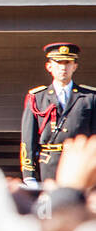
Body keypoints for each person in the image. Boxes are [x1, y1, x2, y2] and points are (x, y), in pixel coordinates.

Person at [20, 43, 96, 186]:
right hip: (48, 164)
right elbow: (28, 139)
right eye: (58, 63)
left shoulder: (90, 97)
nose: (63, 68)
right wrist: (29, 174)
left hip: (79, 163)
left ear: (75, 67)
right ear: (49, 67)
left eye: (68, 63)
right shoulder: (37, 97)